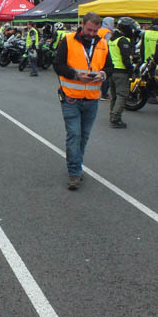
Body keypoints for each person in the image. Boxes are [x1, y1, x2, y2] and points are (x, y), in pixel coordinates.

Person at [53, 12, 109, 190]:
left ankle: (76, 165)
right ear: (82, 24)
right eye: (89, 29)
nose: (92, 33)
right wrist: (76, 75)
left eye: (95, 30)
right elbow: (58, 65)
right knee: (74, 135)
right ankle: (74, 173)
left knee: (83, 137)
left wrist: (102, 74)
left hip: (92, 99)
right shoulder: (68, 41)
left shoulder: (103, 43)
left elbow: (110, 67)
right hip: (71, 97)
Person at [106, 17, 137, 128]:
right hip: (121, 72)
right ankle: (115, 118)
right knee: (122, 95)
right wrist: (131, 72)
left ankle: (113, 115)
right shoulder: (123, 40)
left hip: (112, 71)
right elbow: (126, 59)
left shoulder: (112, 39)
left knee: (114, 96)